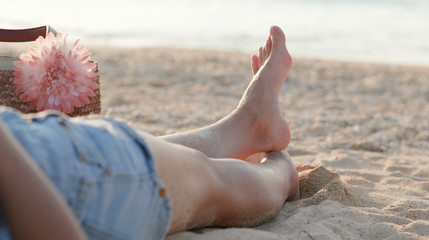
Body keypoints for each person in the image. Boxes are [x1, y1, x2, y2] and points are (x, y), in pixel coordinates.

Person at [0, 26, 298, 240]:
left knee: (208, 180)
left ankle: (265, 151)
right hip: (64, 170)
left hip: (58, 167)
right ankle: (261, 143)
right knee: (198, 175)